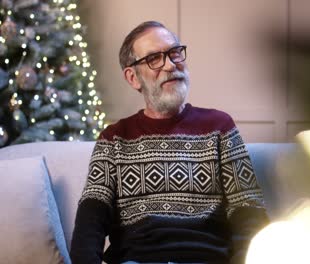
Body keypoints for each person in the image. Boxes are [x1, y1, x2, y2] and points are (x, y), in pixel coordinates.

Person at [70, 21, 269, 264]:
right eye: (154, 58)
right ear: (133, 77)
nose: (170, 64)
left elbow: (248, 211)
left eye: (174, 53)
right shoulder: (114, 138)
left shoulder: (220, 127)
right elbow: (91, 218)